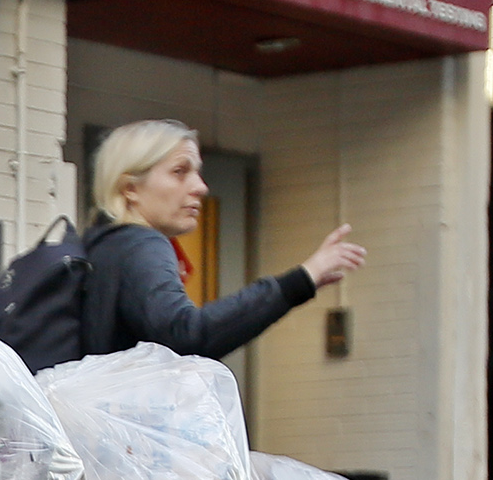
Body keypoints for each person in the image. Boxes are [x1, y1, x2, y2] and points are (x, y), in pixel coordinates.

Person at [74, 118, 365, 359]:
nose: (200, 187)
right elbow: (188, 335)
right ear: (130, 188)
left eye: (197, 172)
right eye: (179, 172)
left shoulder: (99, 246)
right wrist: (301, 280)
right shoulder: (141, 245)